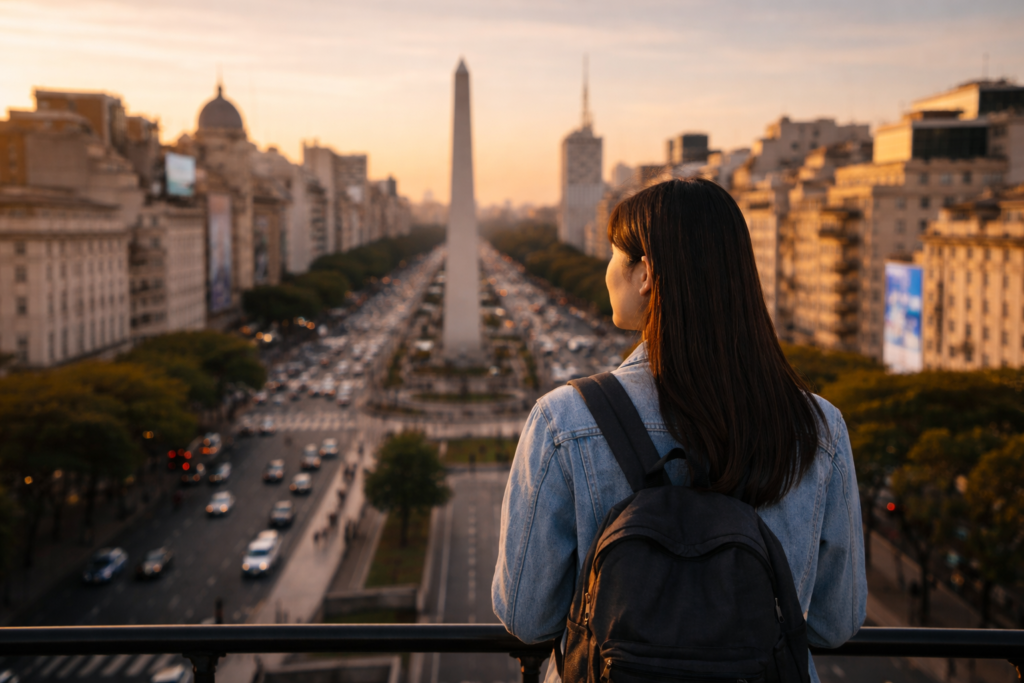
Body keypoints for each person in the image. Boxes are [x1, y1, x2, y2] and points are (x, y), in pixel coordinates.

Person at [491, 179, 866, 683]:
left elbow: (527, 616)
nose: (606, 270)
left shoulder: (564, 422)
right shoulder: (818, 427)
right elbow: (834, 623)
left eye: (612, 254)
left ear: (645, 273)